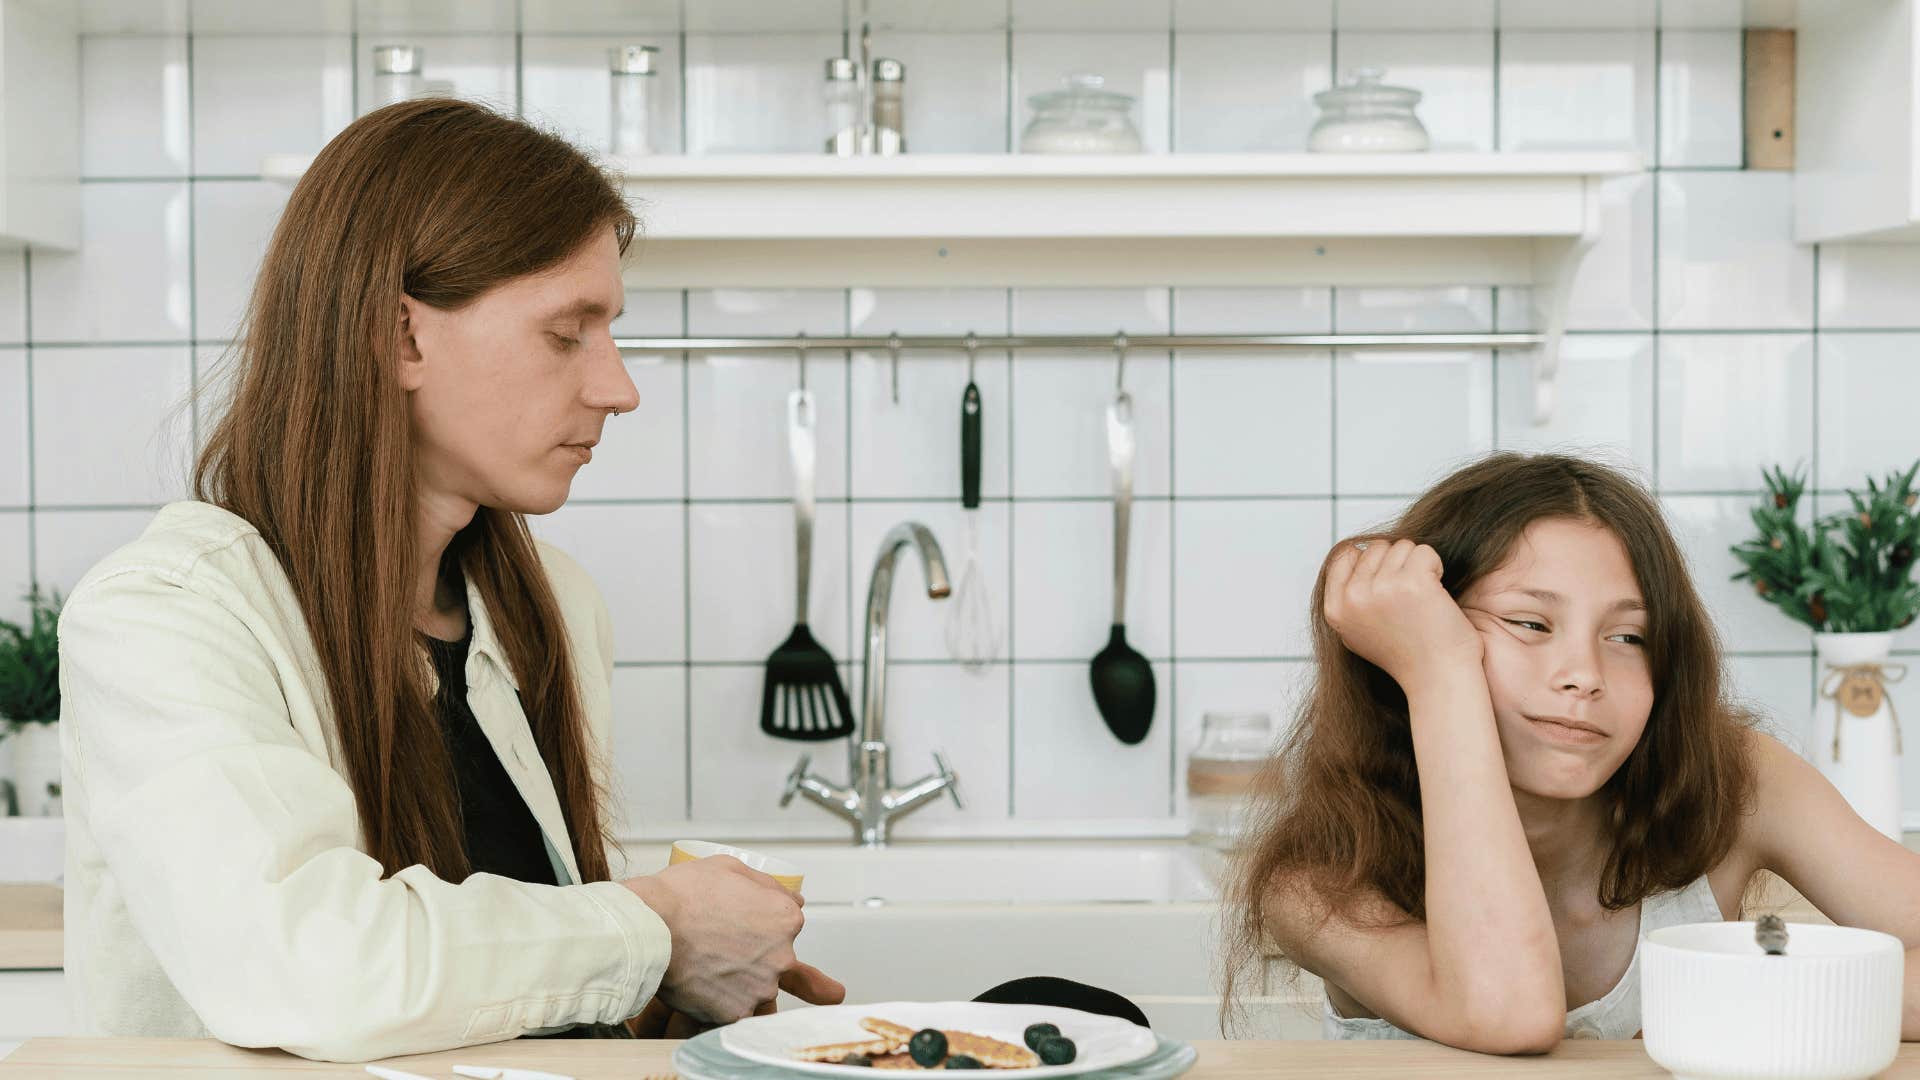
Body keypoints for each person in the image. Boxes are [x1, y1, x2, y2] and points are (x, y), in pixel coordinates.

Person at [56, 98, 842, 1063]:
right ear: (400, 338)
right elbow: (309, 970)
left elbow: (510, 994)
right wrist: (657, 931)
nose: (619, 387)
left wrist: (679, 987)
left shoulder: (550, 604)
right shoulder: (167, 616)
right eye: (568, 333)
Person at [1223, 452, 1920, 1051]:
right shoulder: (1319, 883)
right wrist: (1440, 674)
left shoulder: (1742, 778)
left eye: (1629, 638)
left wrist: (1762, 1002)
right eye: (1531, 623)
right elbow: (1508, 1014)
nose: (1584, 673)